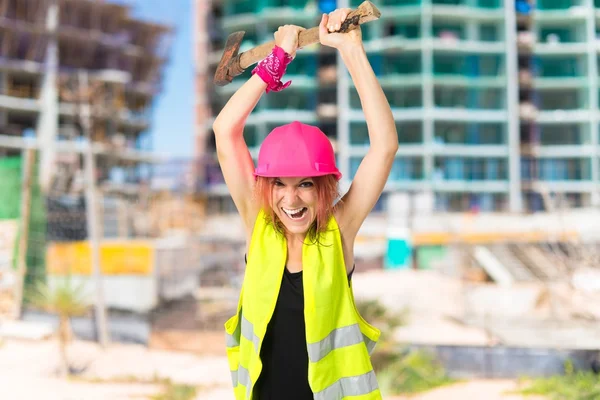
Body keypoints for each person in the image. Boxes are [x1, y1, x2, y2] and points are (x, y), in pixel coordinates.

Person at [213, 7, 398, 400]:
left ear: (327, 187)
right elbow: (224, 130)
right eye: (279, 183)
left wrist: (351, 50)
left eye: (306, 184)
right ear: (266, 186)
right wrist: (275, 62)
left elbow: (384, 146)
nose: (291, 199)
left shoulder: (338, 231)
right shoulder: (257, 224)